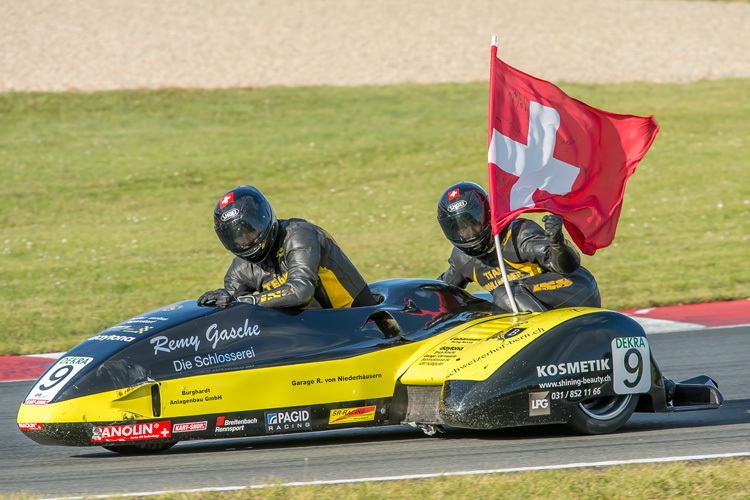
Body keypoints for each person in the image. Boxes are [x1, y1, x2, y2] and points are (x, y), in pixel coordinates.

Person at [197, 185, 376, 309]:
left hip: (357, 323)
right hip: (308, 334)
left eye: (249, 230)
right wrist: (221, 303)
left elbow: (301, 290)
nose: (245, 241)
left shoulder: (299, 235)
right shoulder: (239, 270)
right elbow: (235, 308)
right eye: (235, 237)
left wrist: (245, 301)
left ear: (263, 218)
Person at [436, 181, 601, 313]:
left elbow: (568, 267)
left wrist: (557, 243)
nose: (468, 232)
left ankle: (539, 339)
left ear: (487, 214)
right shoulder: (462, 259)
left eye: (473, 222)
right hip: (530, 302)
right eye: (459, 228)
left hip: (576, 291)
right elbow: (441, 291)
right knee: (480, 306)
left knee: (505, 294)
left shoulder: (518, 235)